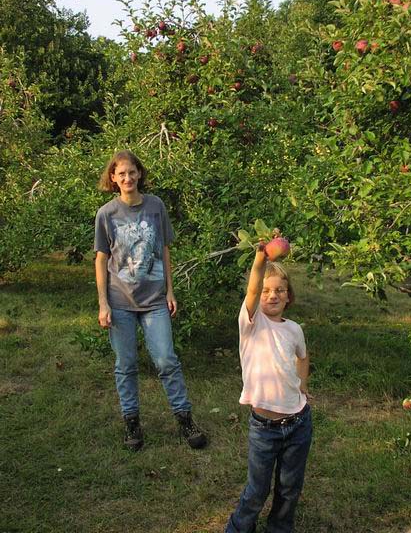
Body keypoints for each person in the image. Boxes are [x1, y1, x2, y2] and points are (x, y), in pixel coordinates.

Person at [94, 149, 206, 451]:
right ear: (113, 179)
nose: (127, 178)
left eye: (132, 172)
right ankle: (131, 422)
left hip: (155, 299)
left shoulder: (156, 206)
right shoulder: (106, 214)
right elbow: (101, 258)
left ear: (139, 174)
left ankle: (184, 419)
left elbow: (165, 249)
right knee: (126, 364)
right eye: (121, 174)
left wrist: (170, 290)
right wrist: (103, 303)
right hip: (119, 302)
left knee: (166, 360)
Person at [225, 243, 312, 533]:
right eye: (266, 290)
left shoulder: (294, 329)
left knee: (289, 488)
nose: (272, 295)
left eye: (279, 290)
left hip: (298, 423)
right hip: (264, 428)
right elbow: (251, 291)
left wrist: (303, 386)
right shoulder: (251, 324)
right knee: (257, 489)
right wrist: (260, 258)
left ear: (289, 297)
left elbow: (302, 356)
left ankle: (280, 528)